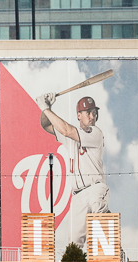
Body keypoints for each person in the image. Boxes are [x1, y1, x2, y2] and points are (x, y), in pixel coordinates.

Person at [38, 92, 110, 250]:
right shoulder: (70, 135)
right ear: (79, 115)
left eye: (95, 113)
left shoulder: (95, 133)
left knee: (101, 224)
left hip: (95, 187)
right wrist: (47, 109)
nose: (93, 116)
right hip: (77, 194)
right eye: (89, 112)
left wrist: (44, 107)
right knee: (73, 245)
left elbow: (66, 130)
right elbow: (46, 125)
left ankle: (119, 255)